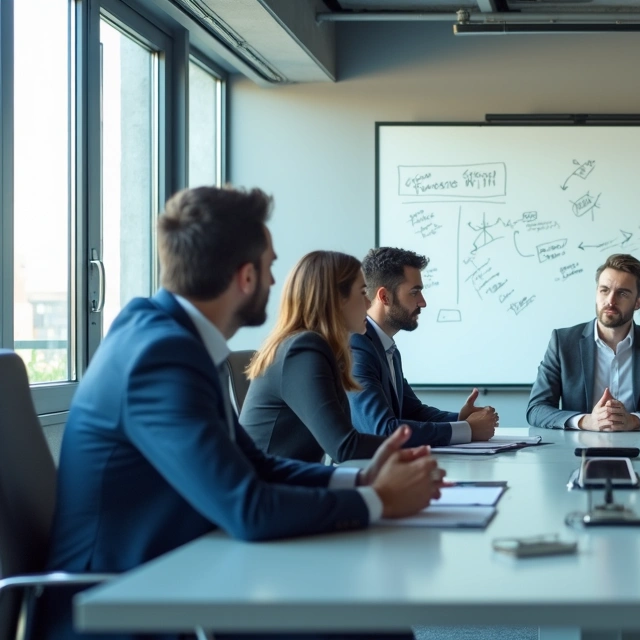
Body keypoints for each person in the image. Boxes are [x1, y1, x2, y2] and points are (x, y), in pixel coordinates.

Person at [42, 187, 443, 640]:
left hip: (180, 574)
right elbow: (248, 509)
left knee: (375, 626)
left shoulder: (168, 336)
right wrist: (380, 501)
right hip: (120, 609)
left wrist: (360, 481)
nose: (276, 282)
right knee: (378, 633)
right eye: (270, 266)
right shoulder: (161, 356)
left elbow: (254, 463)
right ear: (246, 276)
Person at [241, 250, 389, 463]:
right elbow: (344, 447)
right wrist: (419, 446)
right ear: (336, 300)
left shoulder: (312, 347)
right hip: (273, 489)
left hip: (294, 482)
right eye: (363, 292)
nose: (369, 304)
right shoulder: (302, 350)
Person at [526, 253, 640, 431]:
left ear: (639, 302)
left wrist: (634, 421)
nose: (610, 301)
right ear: (596, 293)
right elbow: (536, 409)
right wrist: (586, 421)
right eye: (604, 290)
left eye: (622, 293)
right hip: (577, 451)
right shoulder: (563, 343)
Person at [350, 247, 497, 447]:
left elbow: (414, 411)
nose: (423, 302)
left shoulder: (386, 348)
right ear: (384, 297)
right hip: (365, 474)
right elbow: (383, 429)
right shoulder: (357, 348)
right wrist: (468, 429)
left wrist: (461, 419)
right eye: (415, 292)